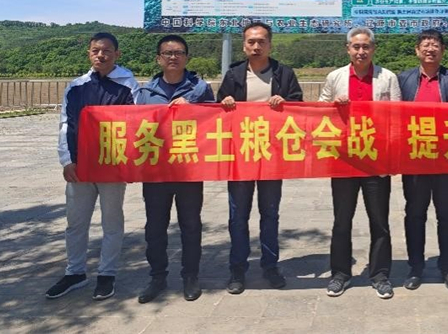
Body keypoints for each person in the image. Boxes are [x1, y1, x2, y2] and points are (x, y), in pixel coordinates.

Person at [45, 32, 139, 301]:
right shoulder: (76, 87)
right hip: (80, 167)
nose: (101, 55)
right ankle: (75, 272)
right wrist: (67, 160)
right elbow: (66, 125)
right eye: (96, 50)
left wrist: (128, 164)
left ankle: (107, 274)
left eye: (107, 50)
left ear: (117, 54)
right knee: (75, 222)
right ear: (89, 53)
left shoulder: (128, 85)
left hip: (112, 167)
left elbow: (135, 126)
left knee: (112, 221)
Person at [218, 22, 303, 294]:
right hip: (240, 155)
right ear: (244, 45)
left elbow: (300, 107)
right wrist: (225, 104)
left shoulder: (284, 73)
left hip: (271, 155)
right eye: (251, 42)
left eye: (261, 41)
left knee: (270, 214)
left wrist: (285, 103)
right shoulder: (233, 74)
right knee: (237, 216)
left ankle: (270, 266)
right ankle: (237, 269)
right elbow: (217, 110)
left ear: (270, 44)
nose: (256, 46)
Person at [319, 26, 401, 299]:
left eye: (366, 46)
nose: (361, 51)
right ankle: (340, 274)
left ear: (373, 49)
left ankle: (380, 275)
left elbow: (398, 117)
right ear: (348, 49)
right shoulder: (335, 77)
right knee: (342, 221)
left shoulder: (387, 77)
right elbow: (319, 112)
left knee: (379, 221)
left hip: (376, 162)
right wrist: (334, 106)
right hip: (344, 161)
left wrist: (393, 157)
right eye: (356, 47)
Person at [136, 35, 215, 303]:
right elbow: (134, 128)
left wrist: (192, 109)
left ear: (187, 58)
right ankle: (157, 277)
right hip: (156, 173)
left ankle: (190, 276)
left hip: (189, 170)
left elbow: (214, 122)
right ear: (158, 58)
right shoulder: (145, 92)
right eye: (167, 53)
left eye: (179, 52)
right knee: (154, 228)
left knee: (190, 225)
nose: (173, 57)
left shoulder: (200, 89)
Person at [397, 29, 448, 292]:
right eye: (425, 44)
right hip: (414, 160)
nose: (430, 49)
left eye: (435, 45)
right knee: (415, 214)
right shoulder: (404, 79)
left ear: (442, 50)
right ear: (417, 50)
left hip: (447, 161)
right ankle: (415, 268)